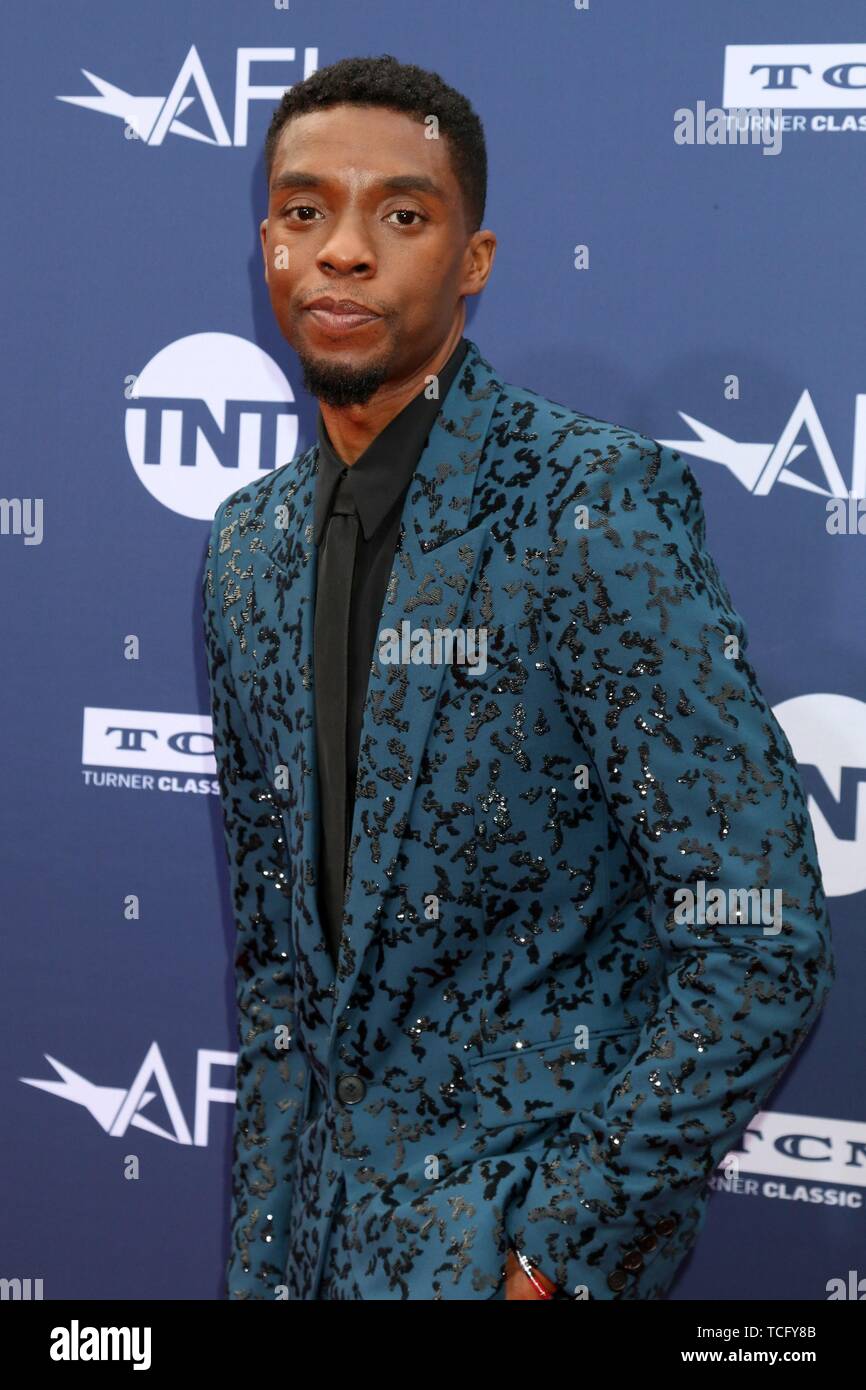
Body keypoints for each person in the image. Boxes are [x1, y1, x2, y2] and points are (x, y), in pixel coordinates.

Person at [201, 54, 834, 1301]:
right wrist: (261, 1259)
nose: (341, 251)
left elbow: (758, 940)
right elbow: (281, 973)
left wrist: (557, 1254)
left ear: (472, 260)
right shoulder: (244, 548)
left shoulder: (585, 511)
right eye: (301, 208)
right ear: (265, 241)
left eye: (400, 213)